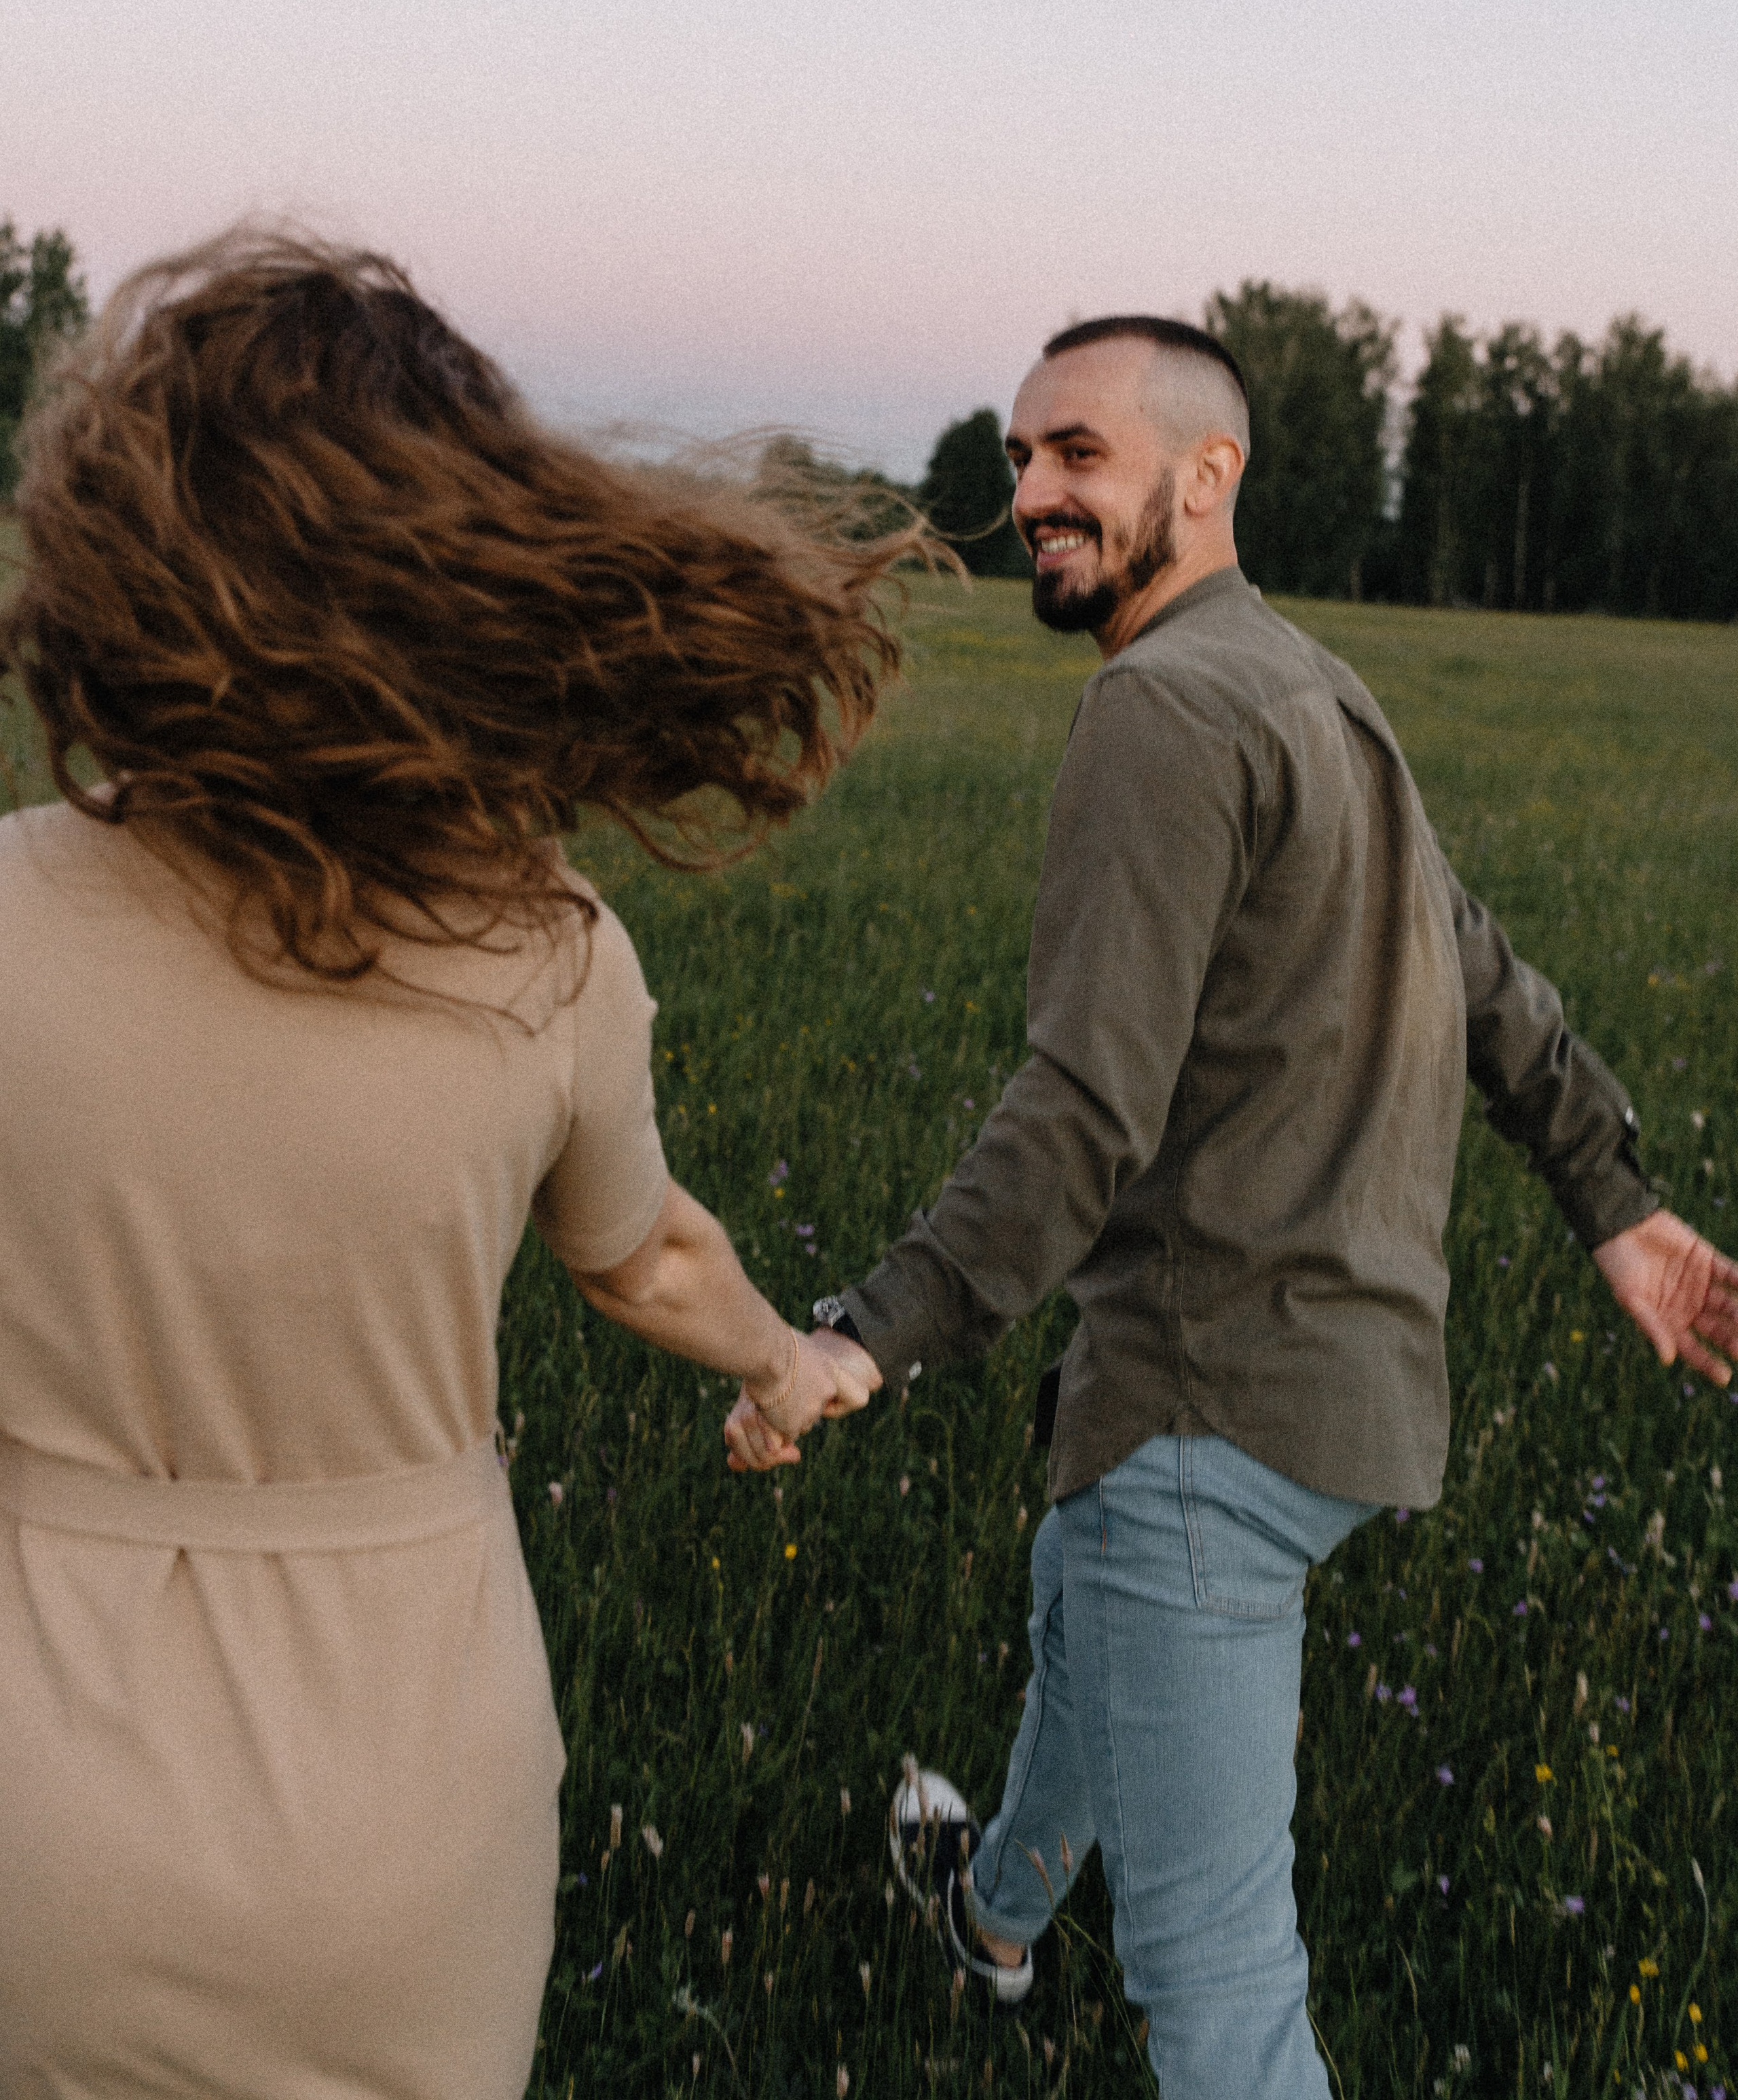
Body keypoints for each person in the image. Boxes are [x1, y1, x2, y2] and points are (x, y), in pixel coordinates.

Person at [724, 314, 1738, 2100]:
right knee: (1077, 1595)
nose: (1033, 493)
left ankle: (1029, 1920)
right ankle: (996, 1914)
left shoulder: (1162, 709)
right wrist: (1615, 1202)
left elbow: (1083, 1108)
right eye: (1021, 457)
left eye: (1079, 454)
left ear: (1210, 475)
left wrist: (864, 1335)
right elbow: (1489, 981)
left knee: (1218, 1983)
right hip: (1339, 1399)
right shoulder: (1311, 688)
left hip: (1213, 1410)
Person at [0, 232, 885, 2100]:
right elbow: (650, 1260)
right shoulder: (546, 950)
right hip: (407, 1817)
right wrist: (784, 1362)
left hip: (38, 1812)